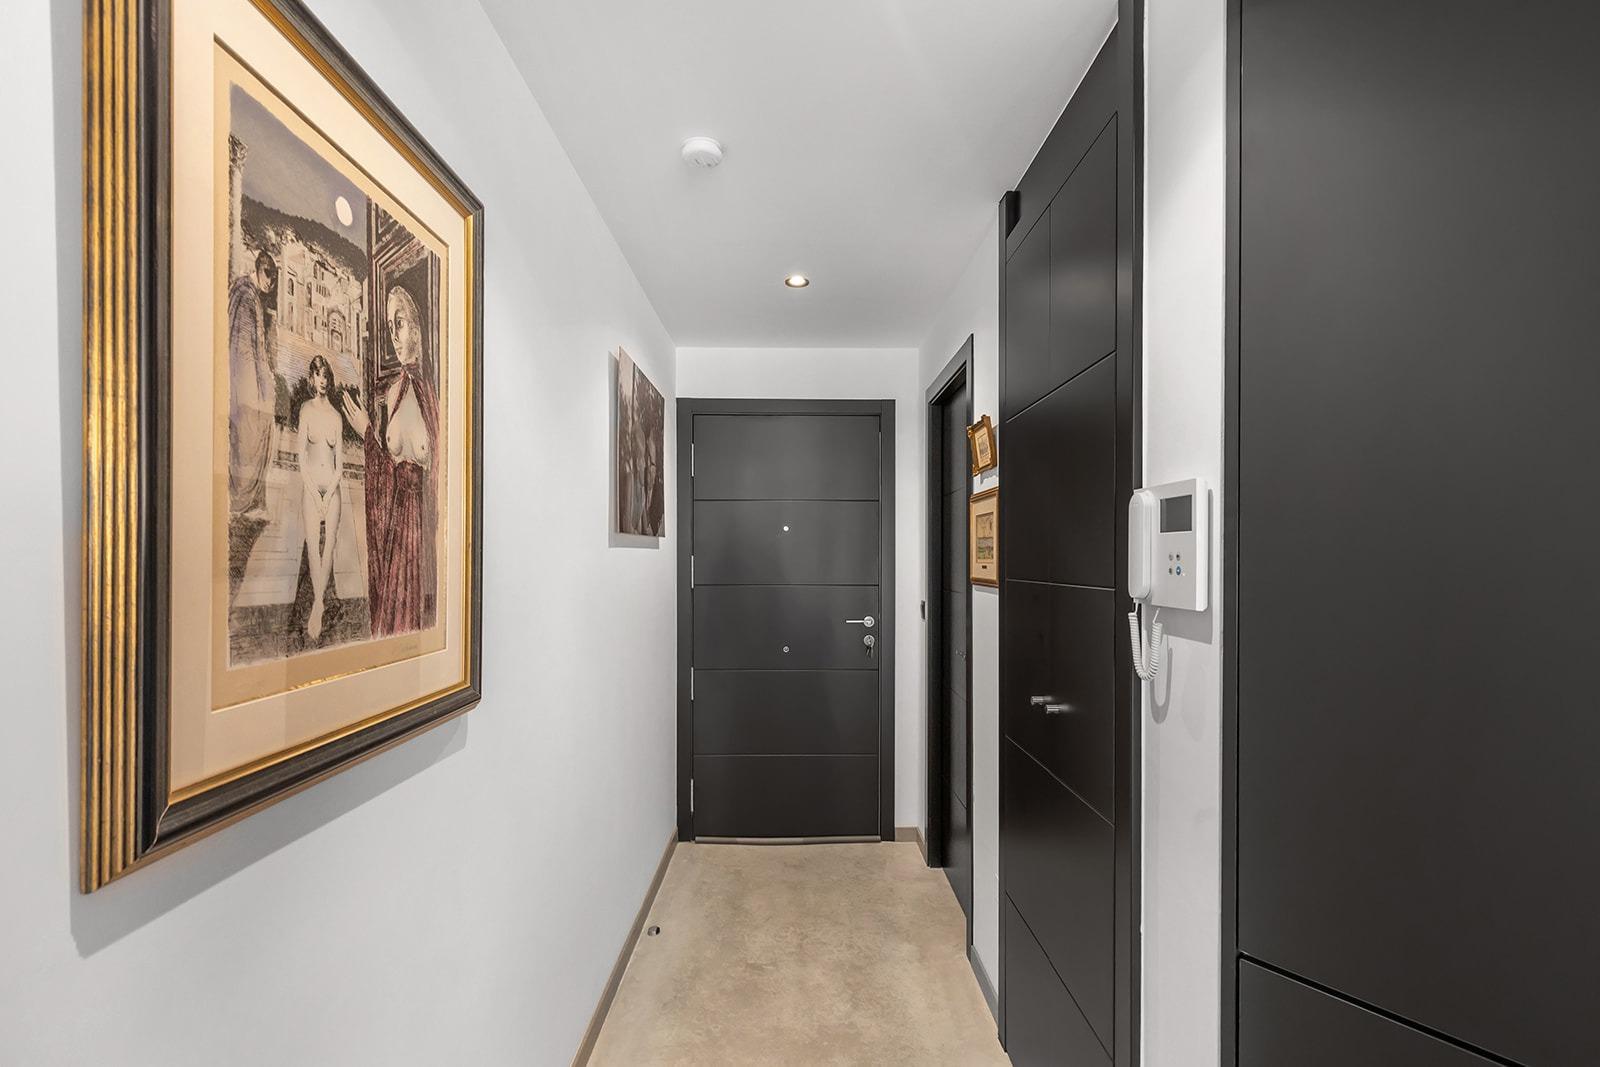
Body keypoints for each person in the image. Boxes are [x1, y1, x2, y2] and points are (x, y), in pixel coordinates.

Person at [338, 285, 439, 637]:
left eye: (399, 322)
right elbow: (386, 469)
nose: (394, 335)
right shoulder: (393, 392)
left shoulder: (433, 397)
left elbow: (440, 477)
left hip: (423, 533)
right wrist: (367, 431)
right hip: (396, 531)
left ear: (417, 329)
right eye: (389, 326)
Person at [227, 250, 278, 521]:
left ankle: (250, 502)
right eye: (268, 275)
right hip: (246, 387)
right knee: (249, 437)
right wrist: (257, 393)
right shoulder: (246, 296)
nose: (270, 282)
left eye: (274, 277)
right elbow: (244, 350)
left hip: (252, 383)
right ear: (259, 269)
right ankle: (243, 502)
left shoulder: (252, 296)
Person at [297, 354, 343, 642]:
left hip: (333, 490)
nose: (323, 381)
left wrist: (328, 497)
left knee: (329, 548)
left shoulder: (336, 417)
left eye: (326, 375)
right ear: (312, 379)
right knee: (313, 547)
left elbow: (339, 466)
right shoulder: (305, 410)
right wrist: (315, 494)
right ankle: (318, 605)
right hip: (311, 488)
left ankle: (318, 605)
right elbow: (301, 459)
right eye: (318, 375)